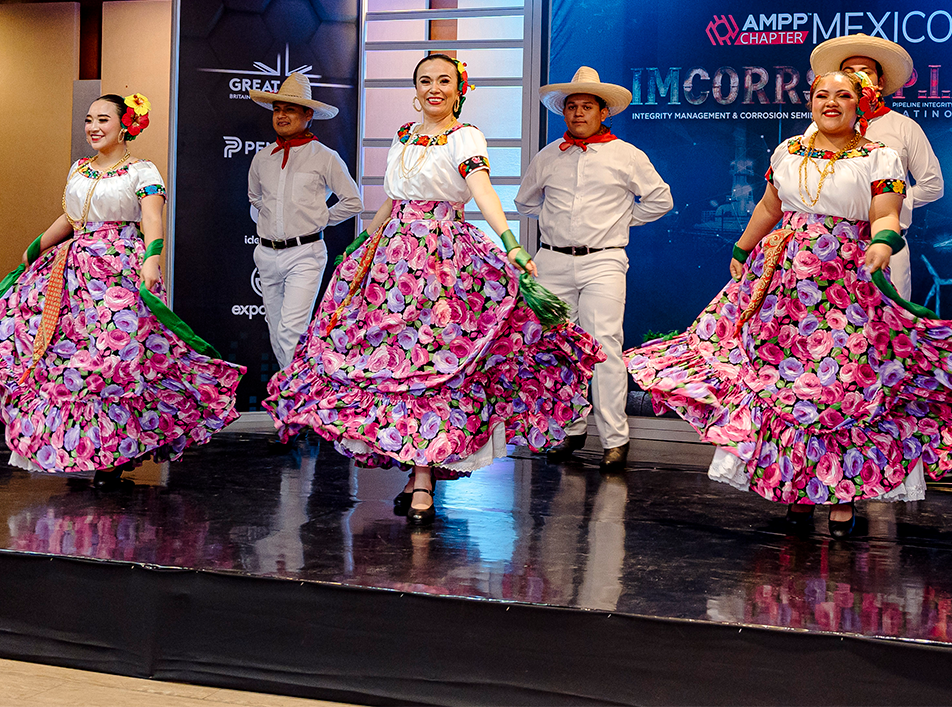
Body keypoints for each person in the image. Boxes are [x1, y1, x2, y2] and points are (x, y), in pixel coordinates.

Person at [625, 69, 952, 536]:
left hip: (848, 285)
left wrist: (884, 242)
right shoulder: (787, 152)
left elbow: (886, 213)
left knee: (842, 386)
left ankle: (843, 494)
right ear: (810, 102)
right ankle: (798, 489)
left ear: (860, 104)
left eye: (843, 95)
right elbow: (770, 207)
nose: (831, 102)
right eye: (822, 95)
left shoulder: (880, 157)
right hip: (786, 287)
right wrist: (742, 248)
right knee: (787, 384)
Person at [263, 53, 603, 523]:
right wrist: (364, 245)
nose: (434, 88)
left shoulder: (465, 135)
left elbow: (482, 188)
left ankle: (423, 475)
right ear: (416, 88)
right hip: (391, 259)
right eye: (426, 81)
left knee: (434, 361)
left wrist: (510, 243)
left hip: (443, 258)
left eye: (444, 80)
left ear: (459, 87)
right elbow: (392, 197)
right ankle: (414, 468)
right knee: (392, 359)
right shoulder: (403, 135)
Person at [0, 93, 243, 487]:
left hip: (119, 271)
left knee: (117, 359)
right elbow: (72, 215)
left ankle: (116, 450)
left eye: (103, 120)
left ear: (125, 125)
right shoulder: (79, 168)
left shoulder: (143, 172)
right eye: (88, 120)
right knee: (69, 357)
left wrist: (153, 256)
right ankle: (84, 448)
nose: (94, 128)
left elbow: (152, 217)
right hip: (75, 273)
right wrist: (36, 247)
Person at [516, 66, 673, 471]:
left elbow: (659, 200)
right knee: (557, 347)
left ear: (604, 112)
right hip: (551, 258)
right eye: (571, 107)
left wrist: (619, 222)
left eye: (587, 106)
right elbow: (524, 202)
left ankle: (615, 440)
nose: (578, 113)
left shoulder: (627, 155)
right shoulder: (548, 155)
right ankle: (570, 429)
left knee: (604, 347)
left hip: (603, 258)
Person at [807, 33, 942, 298]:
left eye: (865, 71)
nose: (857, 77)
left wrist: (888, 201)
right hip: (829, 244)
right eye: (849, 71)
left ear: (879, 82)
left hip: (888, 245)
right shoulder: (818, 127)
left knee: (890, 331)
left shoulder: (903, 127)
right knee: (834, 329)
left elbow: (932, 185)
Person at [247, 73, 361, 377]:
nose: (281, 116)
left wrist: (319, 219)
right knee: (276, 329)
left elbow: (353, 201)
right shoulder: (262, 158)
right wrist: (270, 214)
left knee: (291, 331)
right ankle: (298, 394)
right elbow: (254, 196)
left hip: (305, 253)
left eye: (290, 110)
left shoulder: (325, 157)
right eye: (277, 109)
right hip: (266, 254)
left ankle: (295, 394)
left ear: (308, 115)